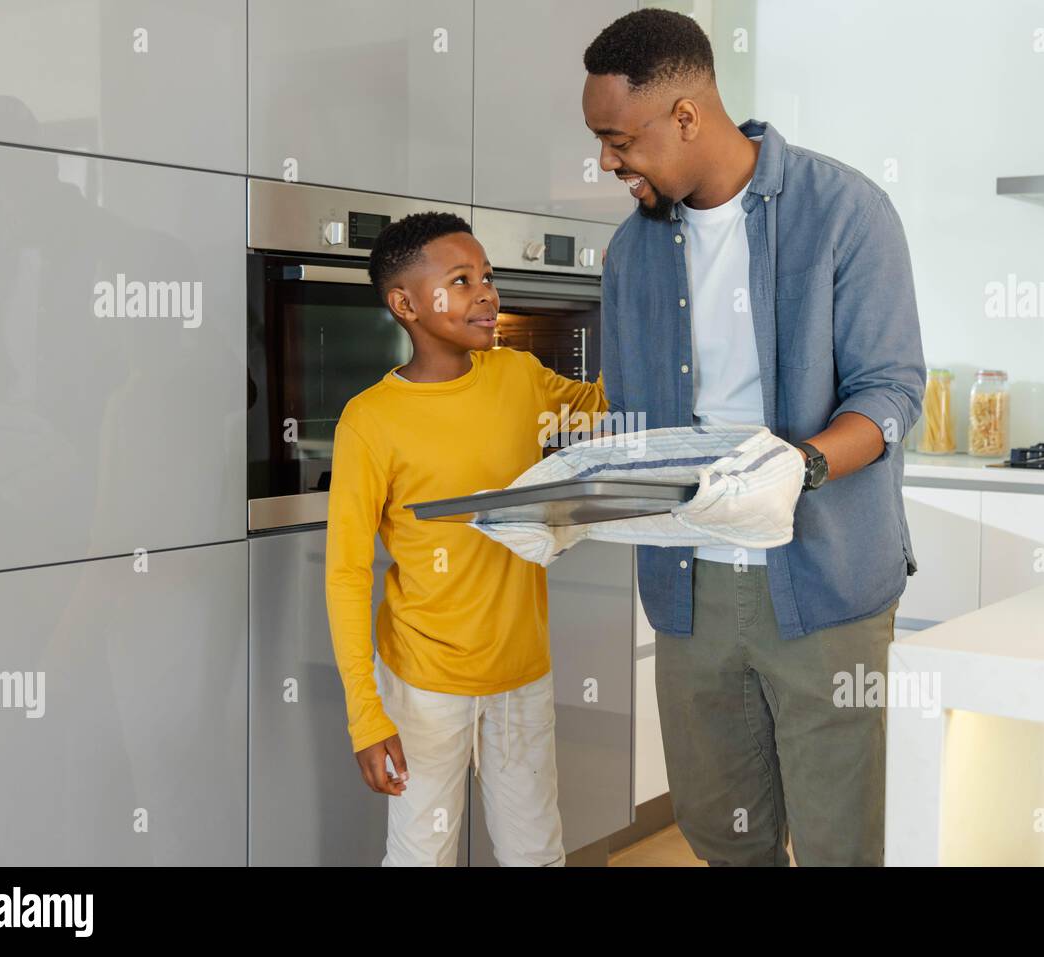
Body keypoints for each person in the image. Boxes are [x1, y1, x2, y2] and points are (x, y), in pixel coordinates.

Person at [582, 9, 926, 866]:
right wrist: (572, 498)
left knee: (843, 843)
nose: (606, 162)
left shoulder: (845, 210)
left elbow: (890, 393)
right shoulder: (631, 254)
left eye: (618, 139)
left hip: (825, 583)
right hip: (689, 585)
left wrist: (798, 464)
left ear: (687, 116)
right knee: (721, 837)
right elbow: (633, 422)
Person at [325, 212, 606, 866]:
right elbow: (345, 573)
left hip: (521, 676)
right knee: (422, 855)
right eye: (461, 279)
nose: (486, 292)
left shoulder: (519, 377)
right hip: (424, 685)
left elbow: (605, 412)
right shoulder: (370, 421)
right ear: (406, 304)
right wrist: (367, 717)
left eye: (487, 275)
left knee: (537, 853)